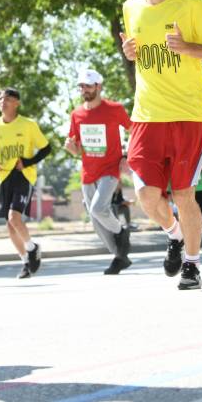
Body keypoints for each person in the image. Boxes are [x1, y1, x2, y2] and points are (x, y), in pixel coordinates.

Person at [119, 0, 202, 290]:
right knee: (147, 195)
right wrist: (129, 53)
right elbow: (138, 53)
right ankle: (174, 235)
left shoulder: (191, 5)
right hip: (146, 116)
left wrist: (186, 48)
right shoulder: (130, 7)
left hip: (186, 115)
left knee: (183, 195)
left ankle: (192, 265)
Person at [64, 68, 133, 275]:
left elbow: (134, 130)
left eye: (88, 85)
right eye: (81, 86)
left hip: (110, 169)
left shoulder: (114, 108)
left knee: (97, 209)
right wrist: (71, 148)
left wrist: (126, 156)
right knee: (95, 219)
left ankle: (122, 233)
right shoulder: (76, 114)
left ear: (98, 87)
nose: (83, 89)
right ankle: (120, 256)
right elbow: (77, 149)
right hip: (88, 171)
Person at [0, 88, 52, 279]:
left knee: (14, 217)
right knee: (10, 226)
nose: (3, 102)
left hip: (24, 176)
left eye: (9, 99)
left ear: (17, 103)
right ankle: (25, 261)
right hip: (4, 177)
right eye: (1, 99)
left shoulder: (28, 125)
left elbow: (46, 149)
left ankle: (32, 247)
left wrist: (27, 162)